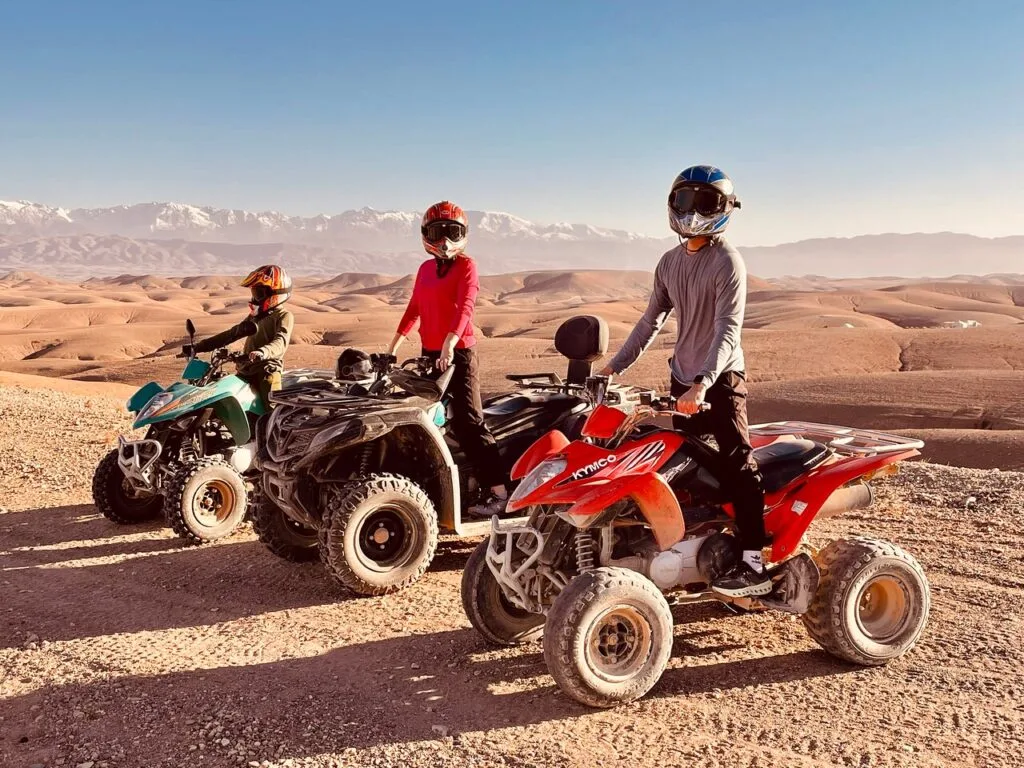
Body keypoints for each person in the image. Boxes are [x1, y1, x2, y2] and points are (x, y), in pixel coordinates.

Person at [599, 166, 770, 598]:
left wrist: (703, 382)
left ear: (726, 209)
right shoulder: (670, 263)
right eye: (686, 201)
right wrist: (614, 366)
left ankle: (754, 560)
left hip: (720, 377)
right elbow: (650, 321)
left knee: (738, 463)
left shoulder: (728, 261)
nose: (694, 213)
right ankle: (699, 555)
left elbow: (727, 329)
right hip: (682, 379)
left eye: (706, 203)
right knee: (687, 468)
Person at [387, 201, 508, 517]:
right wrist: (392, 348)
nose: (445, 241)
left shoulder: (467, 267)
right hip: (431, 354)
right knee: (426, 419)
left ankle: (499, 492)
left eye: (453, 233)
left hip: (459, 353)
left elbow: (466, 307)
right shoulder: (426, 269)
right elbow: (414, 310)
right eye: (439, 233)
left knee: (469, 420)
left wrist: (450, 344)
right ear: (427, 235)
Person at [183, 264, 295, 408]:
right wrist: (198, 347)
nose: (254, 298)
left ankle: (276, 429)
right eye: (254, 293)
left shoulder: (284, 316)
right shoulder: (255, 316)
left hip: (266, 370)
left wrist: (262, 352)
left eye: (259, 293)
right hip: (245, 370)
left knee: (271, 407)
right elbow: (232, 334)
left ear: (274, 293)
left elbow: (281, 342)